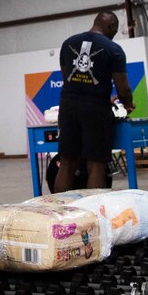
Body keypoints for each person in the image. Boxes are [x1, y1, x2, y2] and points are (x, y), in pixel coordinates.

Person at [53, 12, 134, 192]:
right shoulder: (114, 49)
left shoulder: (68, 43)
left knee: (66, 163)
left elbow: (67, 78)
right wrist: (127, 104)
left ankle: (58, 213)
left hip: (68, 107)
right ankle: (93, 215)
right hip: (96, 109)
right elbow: (123, 89)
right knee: (96, 165)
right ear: (112, 26)